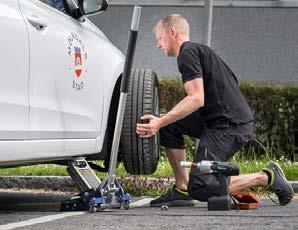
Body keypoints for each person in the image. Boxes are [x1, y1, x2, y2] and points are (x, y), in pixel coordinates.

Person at [136, 14, 294, 207]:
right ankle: (182, 189)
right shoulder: (200, 51)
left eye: (160, 39)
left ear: (172, 32)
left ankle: (266, 177)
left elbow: (196, 98)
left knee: (202, 186)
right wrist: (163, 122)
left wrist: (158, 122)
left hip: (229, 126)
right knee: (170, 126)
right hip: (219, 120)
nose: (158, 45)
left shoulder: (187, 53)